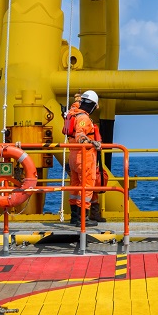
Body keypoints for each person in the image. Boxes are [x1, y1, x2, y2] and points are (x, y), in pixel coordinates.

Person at [64, 90, 105, 226]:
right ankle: (83, 219)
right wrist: (93, 142)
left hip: (73, 155)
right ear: (92, 105)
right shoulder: (84, 119)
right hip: (85, 156)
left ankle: (75, 217)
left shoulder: (73, 114)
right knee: (87, 187)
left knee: (75, 187)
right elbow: (80, 136)